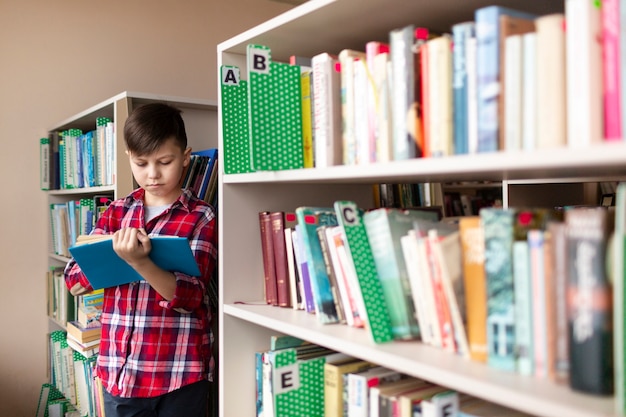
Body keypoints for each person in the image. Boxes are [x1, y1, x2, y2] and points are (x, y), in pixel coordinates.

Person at [64, 102, 217, 417]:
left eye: (165, 161)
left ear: (186, 156)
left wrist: (140, 262)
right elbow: (74, 278)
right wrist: (100, 264)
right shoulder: (117, 212)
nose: (153, 174)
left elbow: (191, 297)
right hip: (121, 372)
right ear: (128, 159)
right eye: (141, 163)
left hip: (180, 374)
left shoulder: (201, 216)